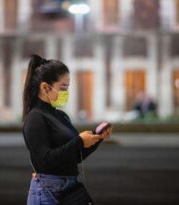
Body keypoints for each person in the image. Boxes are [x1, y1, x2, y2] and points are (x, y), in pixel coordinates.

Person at [22, 54, 112, 205]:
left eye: (67, 87)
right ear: (44, 87)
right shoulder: (35, 118)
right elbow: (45, 161)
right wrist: (79, 141)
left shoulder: (60, 115)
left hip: (69, 187)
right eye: (62, 87)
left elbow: (76, 156)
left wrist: (97, 138)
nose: (66, 92)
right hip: (47, 192)